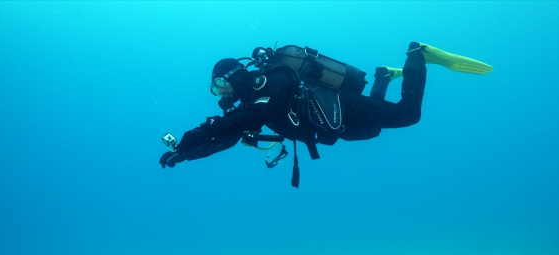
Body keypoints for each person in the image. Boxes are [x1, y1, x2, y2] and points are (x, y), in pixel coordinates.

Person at [159, 42, 492, 185]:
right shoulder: (252, 102)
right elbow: (229, 135)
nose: (221, 93)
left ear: (232, 77)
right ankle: (384, 76)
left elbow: (248, 119)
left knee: (407, 116)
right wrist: (186, 152)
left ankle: (417, 53)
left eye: (220, 84)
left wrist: (193, 138)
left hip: (344, 107)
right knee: (374, 131)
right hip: (336, 126)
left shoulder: (276, 78)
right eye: (215, 89)